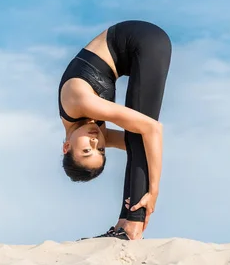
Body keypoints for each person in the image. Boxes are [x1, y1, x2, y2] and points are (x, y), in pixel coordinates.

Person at [59, 20, 172, 240]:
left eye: (86, 151)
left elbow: (153, 129)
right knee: (137, 139)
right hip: (139, 53)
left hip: (143, 40)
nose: (95, 143)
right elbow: (138, 144)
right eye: (101, 150)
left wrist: (154, 191)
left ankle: (132, 227)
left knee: (141, 134)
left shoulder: (77, 102)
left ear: (66, 146)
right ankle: (124, 222)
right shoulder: (91, 131)